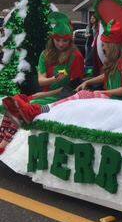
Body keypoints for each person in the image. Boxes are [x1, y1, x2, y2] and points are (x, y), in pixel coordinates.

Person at [5, 20, 122, 125]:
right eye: (57, 40)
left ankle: (35, 109)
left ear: (112, 45)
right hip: (67, 94)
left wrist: (102, 92)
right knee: (23, 106)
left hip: (114, 101)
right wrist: (89, 81)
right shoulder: (117, 60)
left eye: (104, 45)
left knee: (75, 98)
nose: (102, 48)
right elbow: (108, 75)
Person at [0, 13, 84, 151]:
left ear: (70, 41)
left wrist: (41, 95)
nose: (61, 44)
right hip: (46, 94)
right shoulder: (45, 54)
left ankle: (4, 144)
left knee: (25, 107)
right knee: (13, 103)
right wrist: (53, 80)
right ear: (52, 39)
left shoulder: (76, 56)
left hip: (63, 97)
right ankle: (2, 138)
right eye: (58, 40)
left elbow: (72, 89)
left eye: (65, 41)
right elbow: (41, 81)